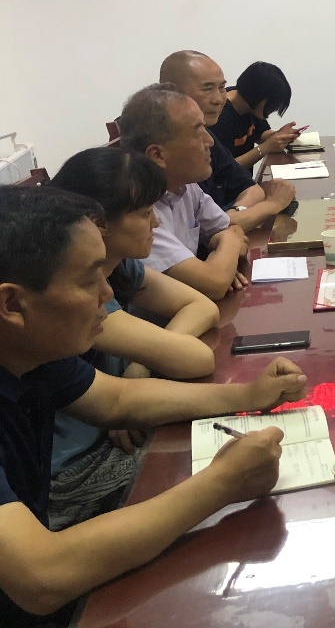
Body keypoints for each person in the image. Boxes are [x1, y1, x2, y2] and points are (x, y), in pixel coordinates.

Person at [0, 185, 306, 626]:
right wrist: (223, 482)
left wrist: (247, 396)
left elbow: (117, 398)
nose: (107, 293)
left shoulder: (29, 349)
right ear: (12, 304)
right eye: (89, 279)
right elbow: (41, 576)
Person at [48, 147, 221, 530]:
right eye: (144, 213)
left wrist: (140, 363)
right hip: (76, 470)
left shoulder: (120, 266)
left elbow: (202, 306)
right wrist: (154, 355)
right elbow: (196, 358)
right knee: (214, 466)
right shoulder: (79, 298)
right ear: (98, 223)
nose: (156, 222)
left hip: (117, 432)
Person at [117, 84, 249, 300]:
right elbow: (215, 284)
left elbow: (233, 230)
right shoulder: (137, 214)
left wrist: (223, 261)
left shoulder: (185, 186)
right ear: (158, 155)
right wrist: (225, 256)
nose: (210, 141)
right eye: (198, 132)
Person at [160, 51, 295, 232]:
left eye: (222, 87)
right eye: (207, 88)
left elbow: (249, 189)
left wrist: (235, 215)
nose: (218, 99)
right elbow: (214, 228)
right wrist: (272, 204)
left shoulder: (208, 132)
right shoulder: (169, 153)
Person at [210, 61, 301, 169]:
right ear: (258, 96)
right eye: (273, 103)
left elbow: (261, 134)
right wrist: (265, 148)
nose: (274, 109)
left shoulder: (249, 104)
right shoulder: (220, 116)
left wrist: (280, 136)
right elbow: (224, 169)